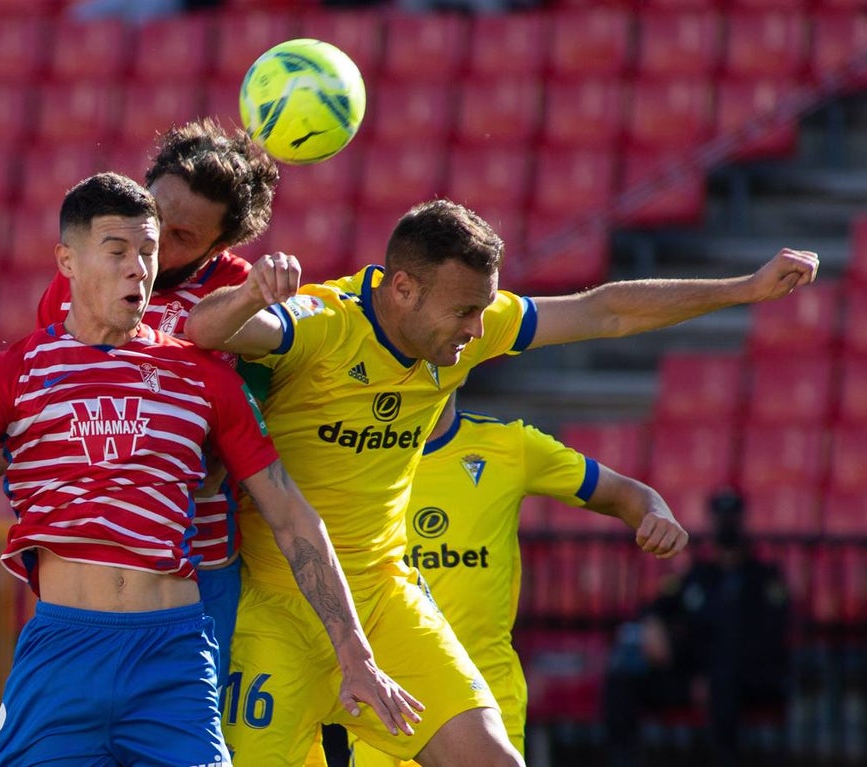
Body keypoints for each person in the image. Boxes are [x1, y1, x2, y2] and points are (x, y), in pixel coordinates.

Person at [182, 197, 818, 766]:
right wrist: (251, 294)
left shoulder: (463, 337)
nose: (479, 331)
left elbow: (606, 313)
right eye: (464, 311)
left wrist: (745, 289)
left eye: (484, 309)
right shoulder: (324, 322)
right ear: (402, 289)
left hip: (381, 595)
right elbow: (206, 328)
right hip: (275, 607)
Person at [0, 173, 420, 766]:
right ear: (67, 260)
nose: (138, 269)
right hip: (63, 653)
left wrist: (356, 655)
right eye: (117, 252)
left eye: (148, 253)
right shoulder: (14, 372)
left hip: (173, 658)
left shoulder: (203, 377)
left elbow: (294, 519)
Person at [0, 117, 279, 688]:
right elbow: (51, 427)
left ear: (219, 247)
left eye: (182, 238)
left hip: (198, 565)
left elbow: (237, 435)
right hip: (90, 588)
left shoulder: (241, 295)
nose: (158, 243)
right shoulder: (75, 290)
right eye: (157, 214)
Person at [342, 389, 688, 766]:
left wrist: (656, 512)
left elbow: (623, 492)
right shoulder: (355, 457)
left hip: (487, 695)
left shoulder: (509, 446)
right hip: (389, 698)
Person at [602, 489, 791, 767]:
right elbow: (656, 608)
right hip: (692, 673)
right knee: (623, 680)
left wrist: (716, 674)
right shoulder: (698, 576)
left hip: (747, 678)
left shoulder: (763, 578)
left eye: (732, 518)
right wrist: (652, 626)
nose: (726, 525)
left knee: (724, 683)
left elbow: (770, 636)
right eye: (720, 518)